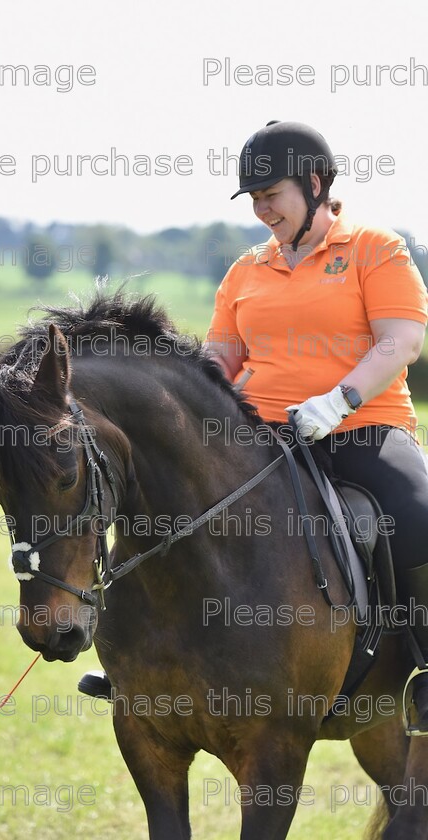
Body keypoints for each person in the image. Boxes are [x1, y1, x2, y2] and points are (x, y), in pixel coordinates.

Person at [204, 120, 428, 734]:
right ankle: (142, 657)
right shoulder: (246, 270)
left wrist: (338, 400)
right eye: (252, 198)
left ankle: (424, 667)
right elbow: (219, 359)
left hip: (363, 429)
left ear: (312, 182)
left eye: (270, 194)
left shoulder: (376, 249)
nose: (261, 209)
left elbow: (401, 340)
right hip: (263, 436)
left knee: (418, 512)